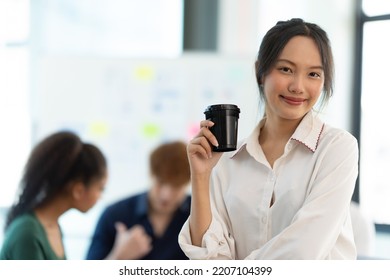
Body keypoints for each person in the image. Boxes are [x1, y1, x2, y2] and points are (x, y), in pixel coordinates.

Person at [179, 18, 359, 259]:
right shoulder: (227, 160)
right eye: (286, 69)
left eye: (313, 74)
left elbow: (304, 252)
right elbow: (207, 257)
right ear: (260, 72)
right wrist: (201, 176)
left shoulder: (337, 148)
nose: (298, 86)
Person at [0, 131, 108, 260]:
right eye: (100, 188)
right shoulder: (28, 233)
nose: (100, 197)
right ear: (78, 191)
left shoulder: (53, 227)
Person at [86, 141, 191, 260]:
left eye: (176, 186)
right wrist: (118, 257)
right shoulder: (114, 214)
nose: (165, 195)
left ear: (187, 183)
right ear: (151, 175)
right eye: (160, 182)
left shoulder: (199, 216)